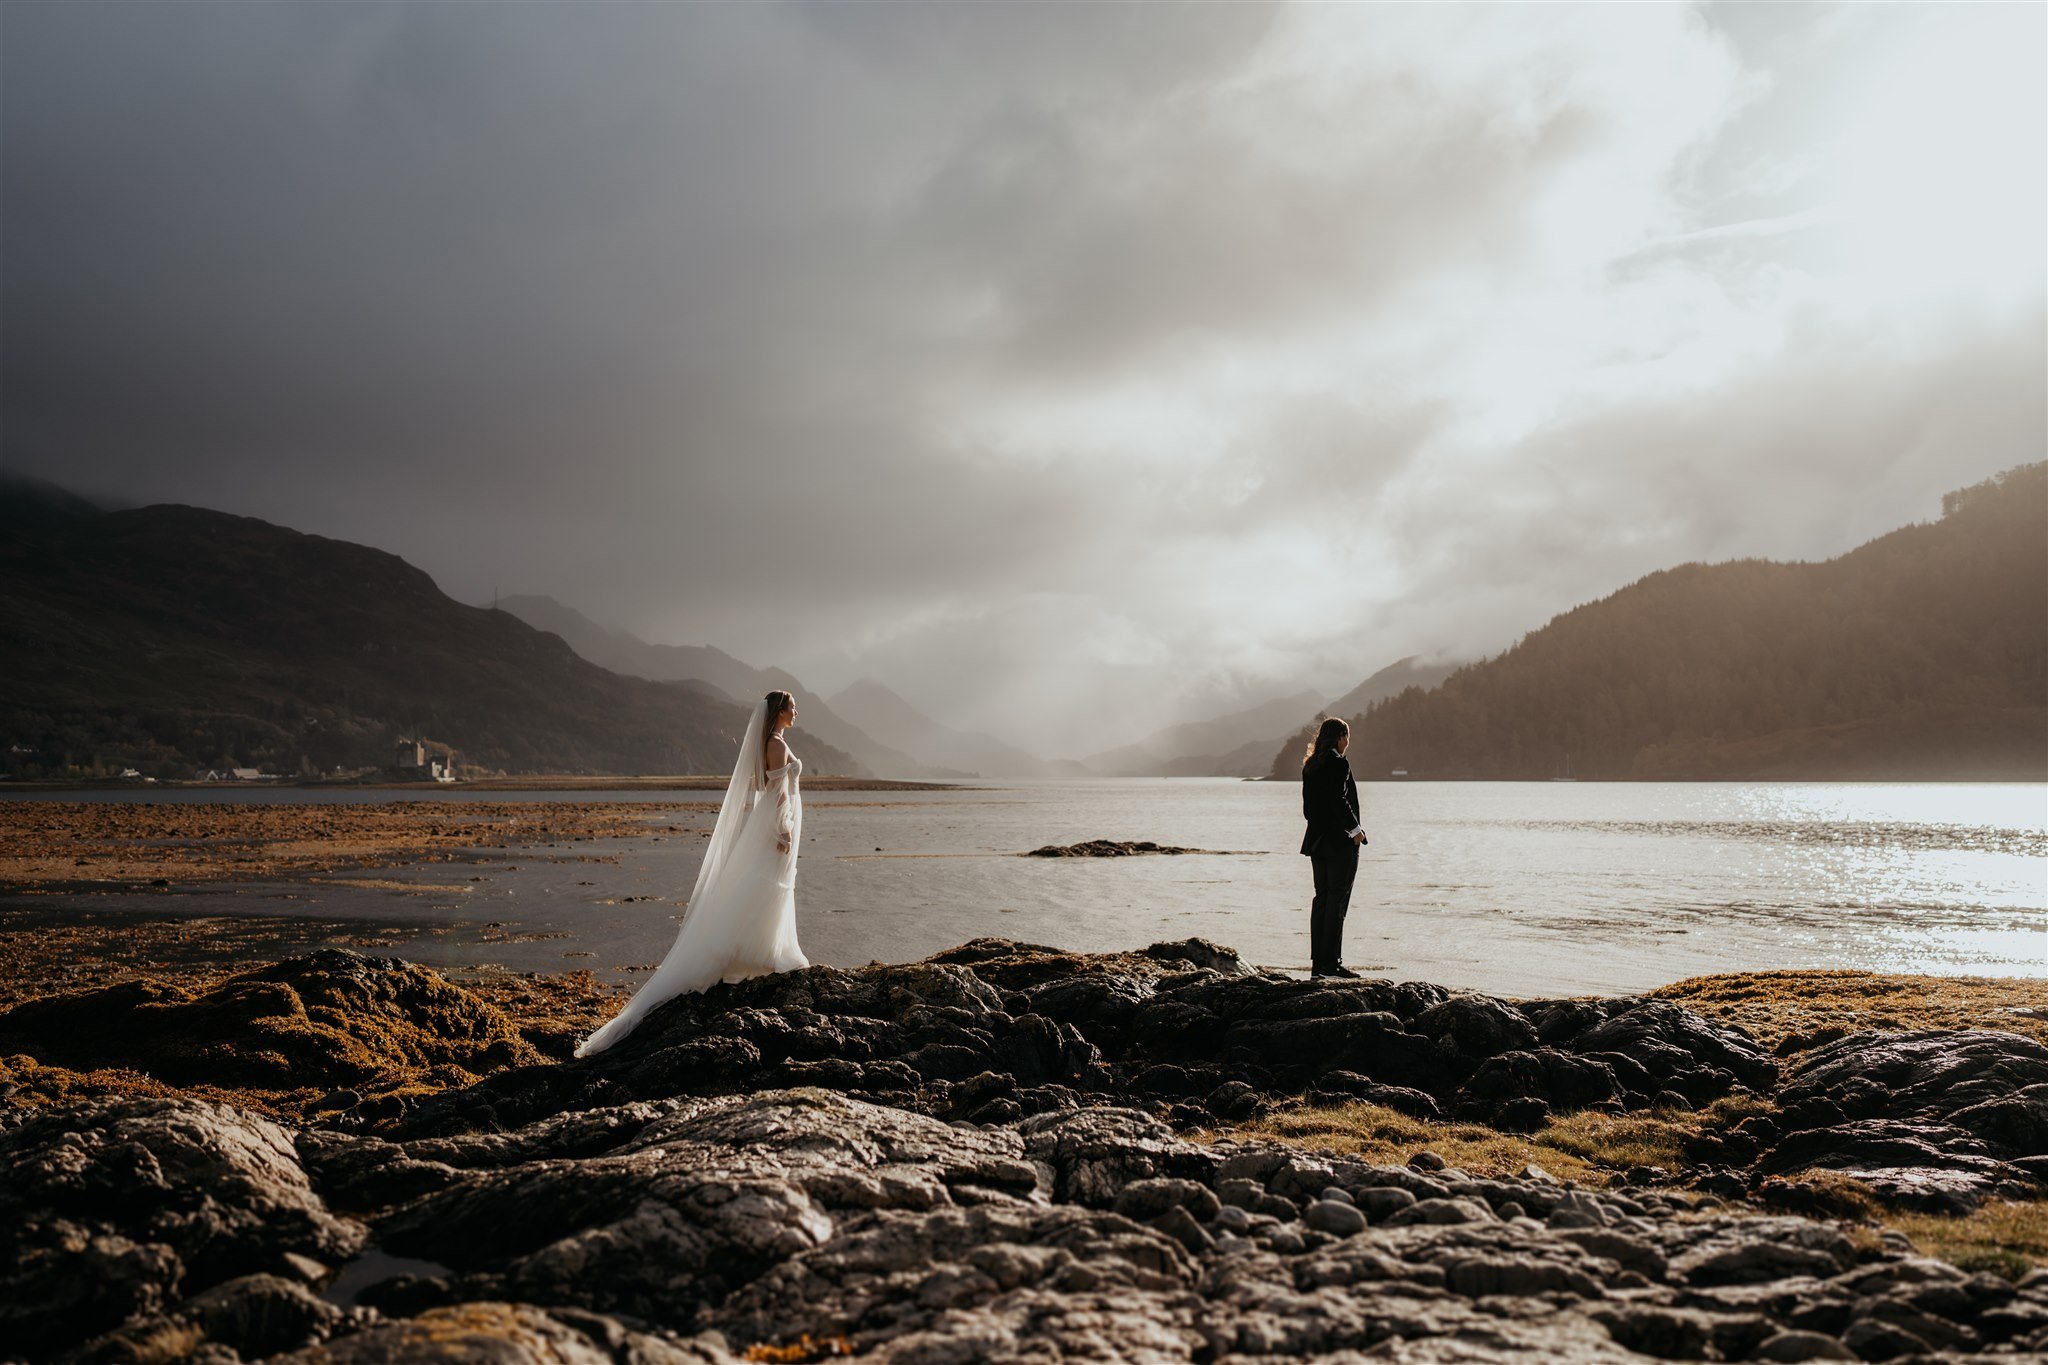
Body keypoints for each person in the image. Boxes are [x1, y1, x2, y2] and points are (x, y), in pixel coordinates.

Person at [575, 690, 809, 1056]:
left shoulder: (774, 741)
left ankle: (762, 950)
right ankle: (762, 953)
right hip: (775, 825)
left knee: (767, 884)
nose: (797, 712)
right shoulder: (776, 744)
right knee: (767, 883)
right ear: (779, 710)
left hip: (773, 823)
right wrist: (783, 829)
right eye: (792, 707)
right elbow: (778, 792)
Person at [1299, 716, 1366, 978]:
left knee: (1322, 900)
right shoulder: (1339, 764)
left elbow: (1308, 810)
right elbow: (1340, 800)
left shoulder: (1311, 766)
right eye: (1346, 737)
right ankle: (1332, 964)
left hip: (1316, 841)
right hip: (1340, 842)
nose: (1348, 743)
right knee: (1337, 902)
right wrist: (1356, 830)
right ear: (1339, 737)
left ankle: (1318, 965)